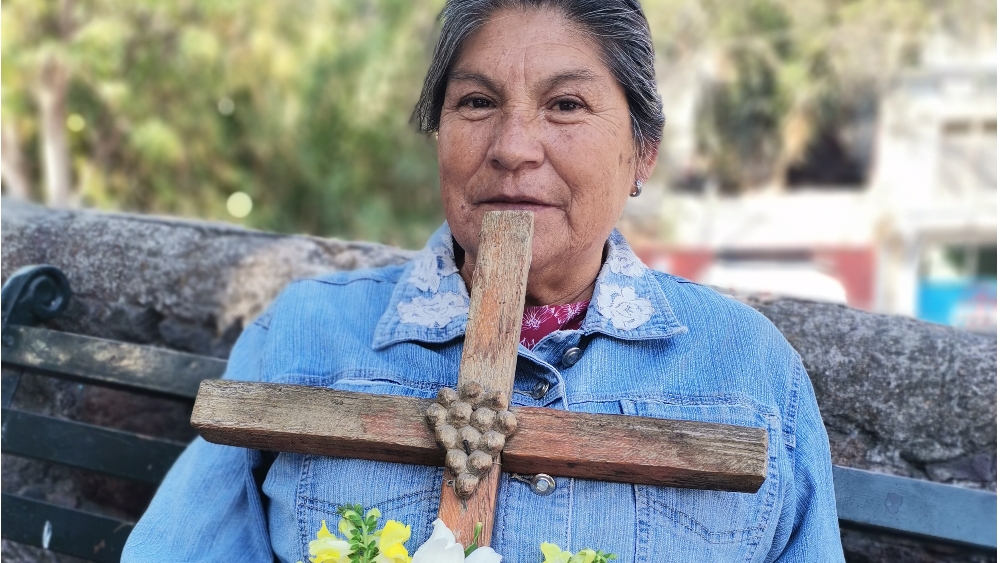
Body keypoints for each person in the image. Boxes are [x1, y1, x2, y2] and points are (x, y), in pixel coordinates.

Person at [122, 1, 844, 561]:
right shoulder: (306, 337)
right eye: (476, 103)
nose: (512, 148)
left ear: (642, 153)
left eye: (565, 105)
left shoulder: (748, 373)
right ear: (439, 132)